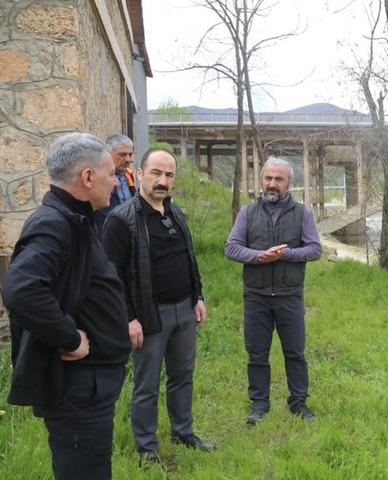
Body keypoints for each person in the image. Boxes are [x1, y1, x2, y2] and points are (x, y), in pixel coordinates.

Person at [3, 132, 130, 479]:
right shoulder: (54, 223)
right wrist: (69, 338)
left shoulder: (76, 219)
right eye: (110, 173)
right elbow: (22, 289)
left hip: (91, 385)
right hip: (77, 387)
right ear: (87, 178)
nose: (116, 180)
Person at [102, 148, 213, 462]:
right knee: (147, 385)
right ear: (139, 173)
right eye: (156, 173)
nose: (162, 181)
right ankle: (147, 449)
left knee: (183, 376)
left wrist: (198, 297)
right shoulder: (121, 220)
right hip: (148, 316)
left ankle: (183, 432)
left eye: (169, 175)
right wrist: (129, 318)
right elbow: (113, 277)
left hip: (184, 311)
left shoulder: (176, 213)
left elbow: (189, 259)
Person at [224, 157, 321, 425]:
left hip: (290, 295)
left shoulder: (303, 213)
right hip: (256, 295)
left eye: (278, 179)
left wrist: (284, 254)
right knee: (257, 354)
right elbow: (231, 247)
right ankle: (259, 405)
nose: (272, 184)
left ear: (289, 183)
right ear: (262, 180)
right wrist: (259, 256)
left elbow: (314, 249)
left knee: (295, 353)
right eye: (268, 178)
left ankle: (298, 403)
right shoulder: (247, 212)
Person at [94, 134, 135, 229]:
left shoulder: (128, 174)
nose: (128, 159)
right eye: (122, 155)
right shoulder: (97, 177)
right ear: (107, 154)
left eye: (130, 154)